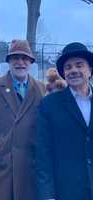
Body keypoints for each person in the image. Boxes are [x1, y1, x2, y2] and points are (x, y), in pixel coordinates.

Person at [0, 39, 46, 200]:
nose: (20, 62)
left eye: (24, 58)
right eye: (15, 58)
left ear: (30, 61)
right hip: (3, 165)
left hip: (30, 165)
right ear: (9, 61)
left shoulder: (41, 89)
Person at [36, 42, 93, 200]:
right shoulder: (49, 105)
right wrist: (47, 195)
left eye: (79, 65)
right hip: (67, 191)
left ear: (90, 70)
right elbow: (43, 153)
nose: (73, 70)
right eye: (68, 67)